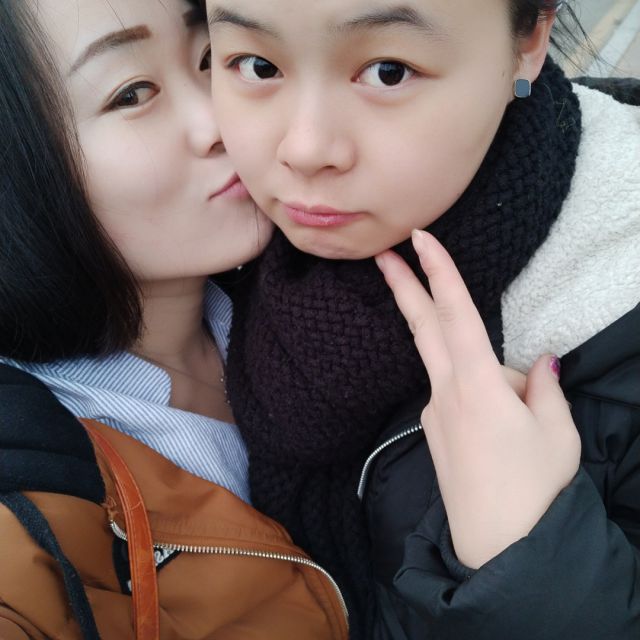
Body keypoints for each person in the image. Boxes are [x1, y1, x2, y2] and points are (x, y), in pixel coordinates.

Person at [205, 0, 640, 638]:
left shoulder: (616, 314)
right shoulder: (208, 245)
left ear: (529, 41)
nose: (304, 149)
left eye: (388, 71)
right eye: (257, 65)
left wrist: (531, 565)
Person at [0, 0, 348, 638]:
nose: (221, 119)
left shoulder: (342, 280)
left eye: (214, 58)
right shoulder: (32, 513)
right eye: (133, 93)